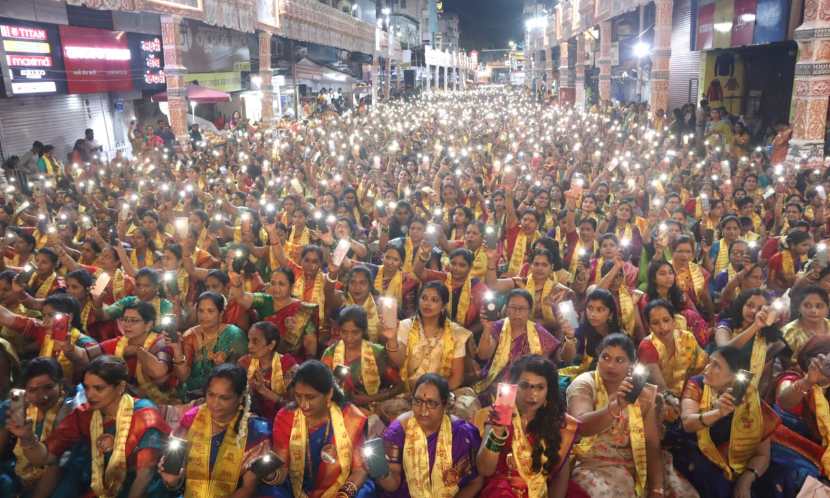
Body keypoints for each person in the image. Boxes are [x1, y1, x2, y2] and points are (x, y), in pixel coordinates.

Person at [6, 355, 170, 498]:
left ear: (120, 387)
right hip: (100, 487)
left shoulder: (145, 415)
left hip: (141, 489)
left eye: (98, 388)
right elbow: (46, 457)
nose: (90, 395)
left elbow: (145, 475)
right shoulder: (85, 414)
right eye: (86, 387)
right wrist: (27, 438)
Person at [567, 334, 699, 498]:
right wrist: (616, 406)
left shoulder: (643, 393)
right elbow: (580, 426)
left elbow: (650, 443)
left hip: (637, 462)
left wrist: (656, 488)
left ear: (631, 365)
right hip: (593, 464)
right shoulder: (585, 383)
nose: (610, 365)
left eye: (619, 360)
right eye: (605, 357)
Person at [674, 346, 780, 497]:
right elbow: (687, 423)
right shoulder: (697, 385)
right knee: (714, 483)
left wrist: (746, 480)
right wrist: (717, 413)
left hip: (741, 466)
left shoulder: (751, 402)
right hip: (697, 452)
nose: (707, 369)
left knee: (777, 482)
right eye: (709, 362)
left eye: (716, 365)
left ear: (734, 376)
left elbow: (762, 454)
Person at [158, 363, 277, 497]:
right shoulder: (192, 419)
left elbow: (248, 488)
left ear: (240, 398)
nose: (215, 403)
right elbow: (176, 476)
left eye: (224, 398)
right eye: (211, 395)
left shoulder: (255, 432)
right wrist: (172, 481)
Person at [474, 355, 579, 498]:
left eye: (540, 387)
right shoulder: (498, 415)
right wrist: (497, 432)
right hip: (502, 490)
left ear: (549, 391)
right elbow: (485, 470)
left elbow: (560, 477)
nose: (532, 394)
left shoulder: (560, 424)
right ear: (514, 386)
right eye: (524, 386)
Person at [271, 360, 374, 497]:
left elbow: (359, 470)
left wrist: (343, 495)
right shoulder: (286, 417)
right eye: (298, 396)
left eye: (310, 397)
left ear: (329, 394)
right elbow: (282, 467)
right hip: (297, 489)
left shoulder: (351, 417)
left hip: (340, 487)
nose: (303, 404)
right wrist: (271, 474)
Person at [377, 373, 483, 497]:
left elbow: (476, 482)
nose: (423, 410)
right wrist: (380, 472)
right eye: (418, 401)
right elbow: (393, 484)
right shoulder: (398, 431)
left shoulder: (463, 434)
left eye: (431, 403)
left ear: (445, 404)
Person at [0, 357, 73, 497]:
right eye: (33, 390)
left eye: (48, 387)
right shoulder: (17, 406)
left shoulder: (71, 412)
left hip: (57, 477)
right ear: (25, 391)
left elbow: (56, 465)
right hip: (17, 472)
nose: (42, 396)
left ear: (62, 385)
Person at [476, 289, 562, 398]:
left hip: (525, 388)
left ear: (529, 311)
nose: (517, 312)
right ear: (506, 309)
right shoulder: (497, 326)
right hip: (494, 383)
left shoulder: (539, 332)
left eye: (522, 309)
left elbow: (547, 364)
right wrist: (487, 328)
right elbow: (483, 355)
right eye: (513, 308)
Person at [320, 305, 402, 416]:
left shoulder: (377, 353)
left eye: (355, 332)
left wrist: (370, 398)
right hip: (337, 412)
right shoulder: (330, 353)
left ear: (363, 331)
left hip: (372, 412)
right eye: (344, 332)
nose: (349, 338)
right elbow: (320, 388)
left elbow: (399, 386)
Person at [169, 291, 248, 401]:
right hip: (192, 393)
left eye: (210, 311)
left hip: (225, 393)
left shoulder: (234, 335)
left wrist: (223, 366)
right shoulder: (190, 336)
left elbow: (242, 372)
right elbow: (183, 377)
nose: (204, 316)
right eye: (201, 311)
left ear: (220, 314)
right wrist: (177, 351)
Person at [637, 299, 708, 417]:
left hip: (690, 391)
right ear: (649, 327)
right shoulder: (647, 347)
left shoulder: (687, 338)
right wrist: (679, 403)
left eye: (666, 320)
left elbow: (702, 367)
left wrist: (691, 395)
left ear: (674, 321)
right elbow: (661, 387)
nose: (663, 327)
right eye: (655, 323)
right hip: (661, 399)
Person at [238, 321, 298, 420]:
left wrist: (264, 391)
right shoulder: (244, 363)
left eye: (255, 341)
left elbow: (296, 407)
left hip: (281, 420)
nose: (249, 346)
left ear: (271, 344)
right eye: (249, 340)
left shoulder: (288, 366)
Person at [782, 285, 830, 368]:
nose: (813, 310)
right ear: (799, 307)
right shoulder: (788, 333)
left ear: (827, 308)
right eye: (807, 305)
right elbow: (785, 366)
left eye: (819, 306)